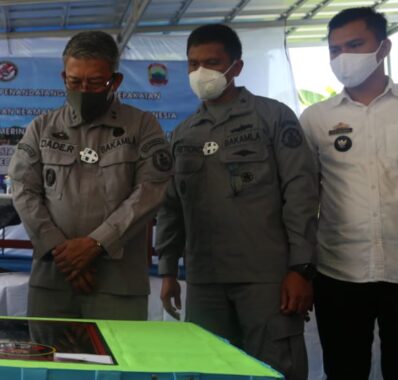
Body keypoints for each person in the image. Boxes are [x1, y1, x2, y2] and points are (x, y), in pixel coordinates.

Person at [156, 24, 318, 380]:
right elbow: (171, 206)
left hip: (266, 279)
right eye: (193, 64)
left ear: (237, 67)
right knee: (208, 370)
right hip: (205, 280)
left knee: (274, 371)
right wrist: (168, 269)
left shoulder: (272, 118)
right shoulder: (184, 134)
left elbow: (301, 193)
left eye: (212, 62)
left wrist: (301, 269)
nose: (202, 73)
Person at [298, 7, 398, 379]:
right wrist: (302, 268)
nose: (344, 58)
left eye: (355, 45)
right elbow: (307, 196)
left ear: (383, 47)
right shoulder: (316, 118)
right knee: (344, 368)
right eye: (335, 50)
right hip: (340, 269)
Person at [8, 30, 171, 320]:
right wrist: (63, 253)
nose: (83, 90)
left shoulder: (143, 126)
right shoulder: (41, 128)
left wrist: (96, 244)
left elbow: (150, 192)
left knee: (117, 362)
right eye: (75, 82)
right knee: (49, 362)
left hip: (118, 285)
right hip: (53, 279)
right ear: (63, 78)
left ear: (115, 81)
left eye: (95, 83)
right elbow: (23, 190)